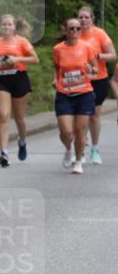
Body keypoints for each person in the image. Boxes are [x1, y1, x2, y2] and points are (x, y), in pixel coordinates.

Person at [0, 15, 40, 166]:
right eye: (3, 24)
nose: (6, 27)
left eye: (9, 25)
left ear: (14, 27)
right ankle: (4, 154)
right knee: (4, 116)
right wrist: (0, 64)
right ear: (0, 27)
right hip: (1, 80)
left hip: (19, 78)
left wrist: (17, 60)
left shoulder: (22, 41)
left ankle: (22, 141)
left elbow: (35, 59)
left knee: (19, 118)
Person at [52, 18, 98, 174]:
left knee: (79, 131)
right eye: (71, 28)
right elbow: (57, 68)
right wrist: (55, 79)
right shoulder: (58, 49)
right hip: (64, 94)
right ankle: (68, 150)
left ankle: (78, 161)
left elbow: (95, 69)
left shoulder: (87, 47)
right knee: (66, 131)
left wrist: (90, 70)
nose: (75, 31)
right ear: (65, 30)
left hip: (84, 94)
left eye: (78, 28)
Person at [77, 6, 116, 163]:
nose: (84, 20)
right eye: (81, 17)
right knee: (81, 116)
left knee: (93, 116)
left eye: (87, 17)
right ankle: (80, 150)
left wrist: (98, 55)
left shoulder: (99, 34)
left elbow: (113, 56)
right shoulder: (74, 34)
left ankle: (94, 148)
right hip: (80, 80)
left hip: (99, 79)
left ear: (92, 18)